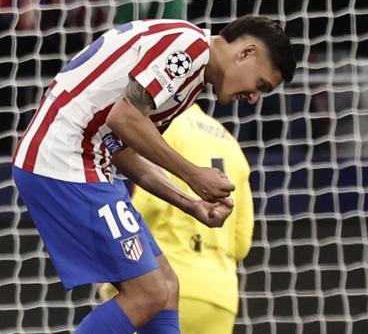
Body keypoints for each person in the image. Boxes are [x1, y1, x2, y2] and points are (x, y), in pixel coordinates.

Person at [11, 15, 296, 333]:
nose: (254, 98)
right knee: (150, 292)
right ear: (247, 52)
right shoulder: (188, 48)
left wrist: (191, 203)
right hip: (64, 160)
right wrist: (194, 175)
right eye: (260, 85)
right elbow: (125, 118)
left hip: (88, 161)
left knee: (167, 288)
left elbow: (123, 148)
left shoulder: (192, 78)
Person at [100, 104, 255, 333]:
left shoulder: (162, 128)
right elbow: (241, 244)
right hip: (219, 298)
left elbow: (150, 204)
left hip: (163, 286)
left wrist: (115, 265)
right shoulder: (233, 146)